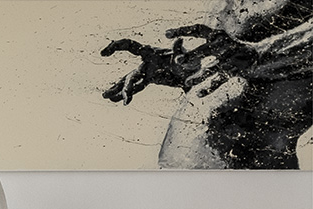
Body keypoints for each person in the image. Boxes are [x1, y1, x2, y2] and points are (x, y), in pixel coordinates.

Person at [101, 0, 312, 169]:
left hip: (253, 177)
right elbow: (225, 63)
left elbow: (252, 58)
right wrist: (180, 67)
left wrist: (258, 57)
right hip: (187, 167)